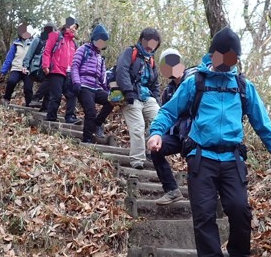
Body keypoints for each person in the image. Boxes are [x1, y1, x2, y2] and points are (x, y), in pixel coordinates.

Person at [148, 27, 271, 257]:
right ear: (213, 54)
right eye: (224, 56)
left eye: (233, 58)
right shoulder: (195, 82)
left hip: (232, 158)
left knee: (238, 210)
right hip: (201, 157)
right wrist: (156, 133)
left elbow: (263, 124)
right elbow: (169, 111)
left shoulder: (243, 86)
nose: (228, 63)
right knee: (203, 213)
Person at [117, 27, 162, 169]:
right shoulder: (130, 52)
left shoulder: (151, 61)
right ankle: (137, 160)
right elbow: (121, 70)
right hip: (131, 95)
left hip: (147, 96)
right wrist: (128, 91)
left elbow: (155, 83)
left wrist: (157, 100)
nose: (151, 46)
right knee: (138, 127)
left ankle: (151, 152)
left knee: (158, 122)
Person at [150, 48, 190, 205]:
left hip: (195, 134)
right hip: (177, 135)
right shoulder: (168, 91)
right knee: (155, 149)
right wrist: (158, 134)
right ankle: (172, 190)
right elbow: (166, 114)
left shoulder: (194, 81)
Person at [71, 24, 113, 144]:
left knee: (111, 100)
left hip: (96, 87)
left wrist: (109, 90)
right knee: (91, 112)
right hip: (83, 85)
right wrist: (76, 82)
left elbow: (102, 77)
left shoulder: (100, 57)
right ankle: (87, 139)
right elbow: (75, 66)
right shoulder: (83, 49)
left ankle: (97, 124)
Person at [42, 17, 80, 123]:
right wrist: (45, 65)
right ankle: (51, 117)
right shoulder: (56, 35)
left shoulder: (73, 43)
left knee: (72, 95)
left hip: (69, 73)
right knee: (56, 95)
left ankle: (70, 117)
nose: (73, 29)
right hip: (56, 70)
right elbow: (47, 51)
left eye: (75, 28)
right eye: (72, 26)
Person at [23, 22, 56, 107]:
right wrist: (25, 66)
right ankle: (31, 101)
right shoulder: (38, 40)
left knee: (49, 85)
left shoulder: (54, 43)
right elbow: (29, 53)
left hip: (47, 67)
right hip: (35, 67)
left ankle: (44, 107)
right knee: (28, 87)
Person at [1, 23, 33, 105]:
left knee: (28, 88)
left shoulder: (32, 44)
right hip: (16, 68)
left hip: (28, 69)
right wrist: (4, 70)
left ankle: (29, 104)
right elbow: (9, 58)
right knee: (11, 81)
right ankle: (6, 99)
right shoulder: (15, 44)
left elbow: (35, 57)